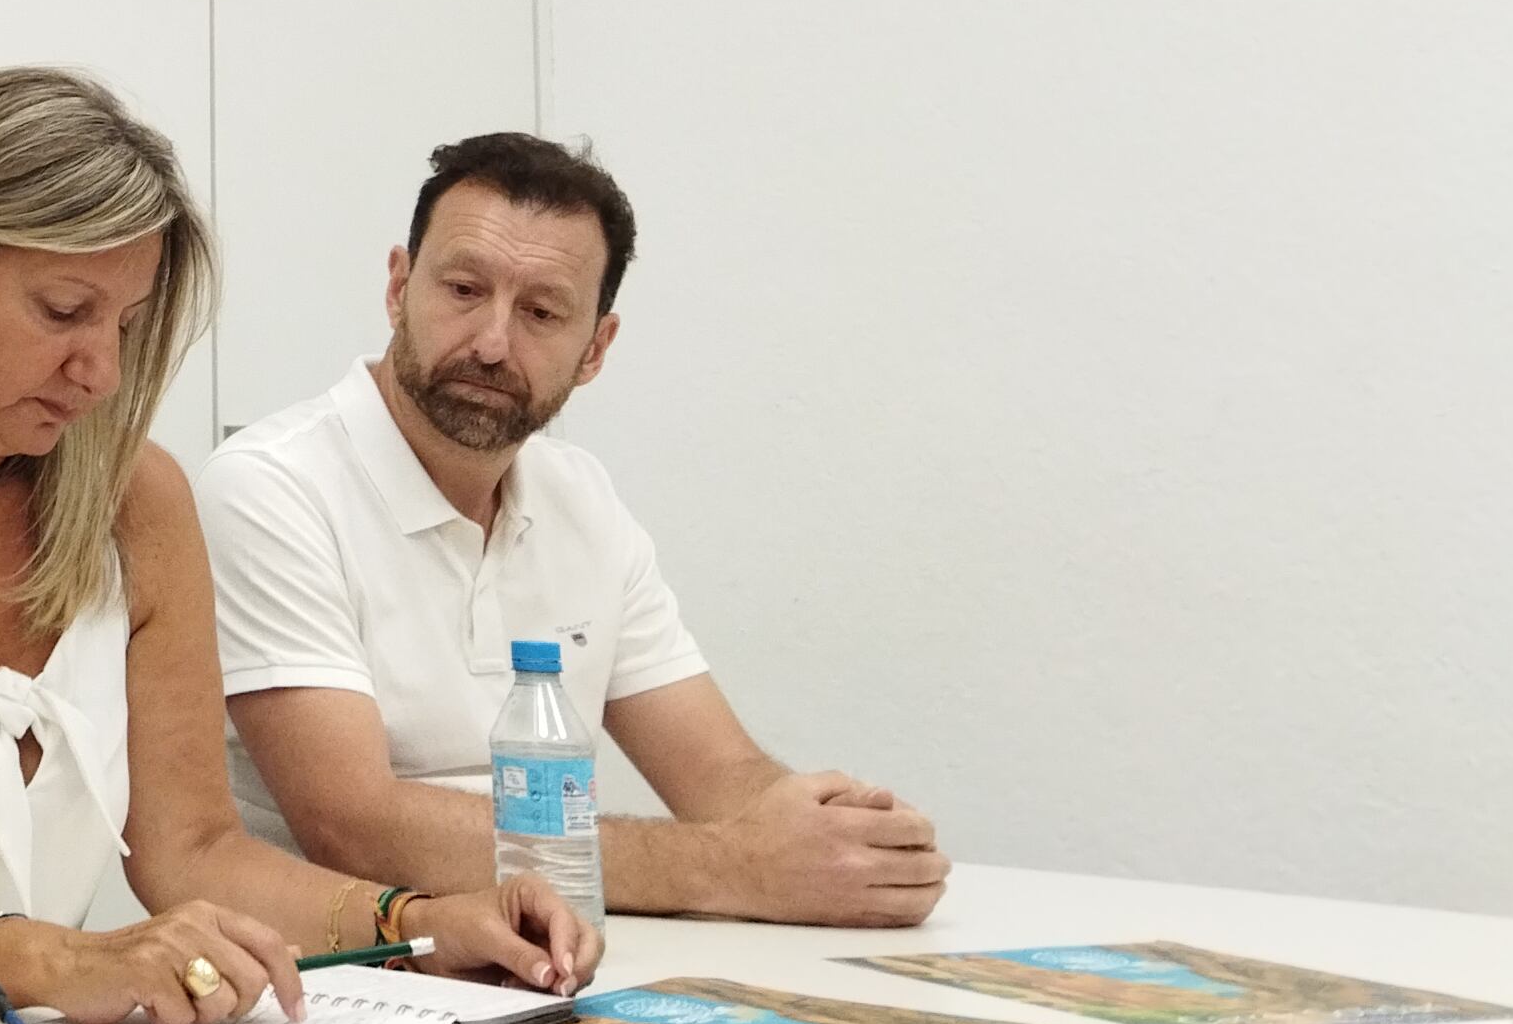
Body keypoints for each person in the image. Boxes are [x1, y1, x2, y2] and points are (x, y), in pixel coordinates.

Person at [0, 70, 597, 1024]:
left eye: (127, 324)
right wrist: (64, 960)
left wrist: (420, 926)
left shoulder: (136, 498)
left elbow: (194, 851)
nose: (103, 371)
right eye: (64, 310)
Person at [200, 131, 950, 928]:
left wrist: (838, 840)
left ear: (595, 348)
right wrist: (733, 865)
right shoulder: (270, 486)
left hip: (551, 955)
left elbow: (719, 773)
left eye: (541, 312)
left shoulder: (581, 495)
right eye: (463, 289)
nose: (492, 343)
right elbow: (352, 825)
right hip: (337, 968)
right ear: (397, 288)